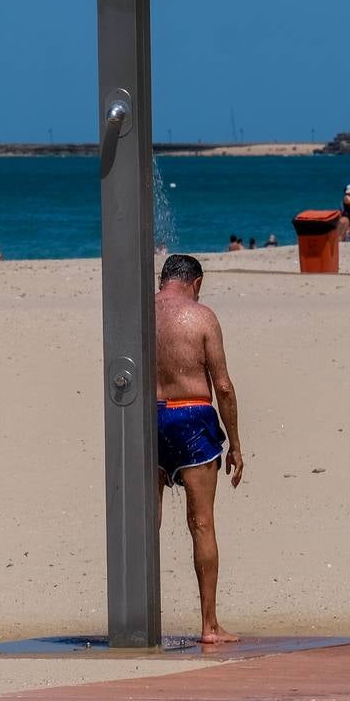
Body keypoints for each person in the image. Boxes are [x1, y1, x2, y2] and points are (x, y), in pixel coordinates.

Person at [156, 254, 244, 644]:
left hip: (148, 418)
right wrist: (236, 444)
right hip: (192, 418)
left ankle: (140, 621)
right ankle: (209, 626)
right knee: (202, 523)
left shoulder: (140, 314)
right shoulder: (202, 316)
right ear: (196, 282)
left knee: (147, 524)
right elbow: (222, 385)